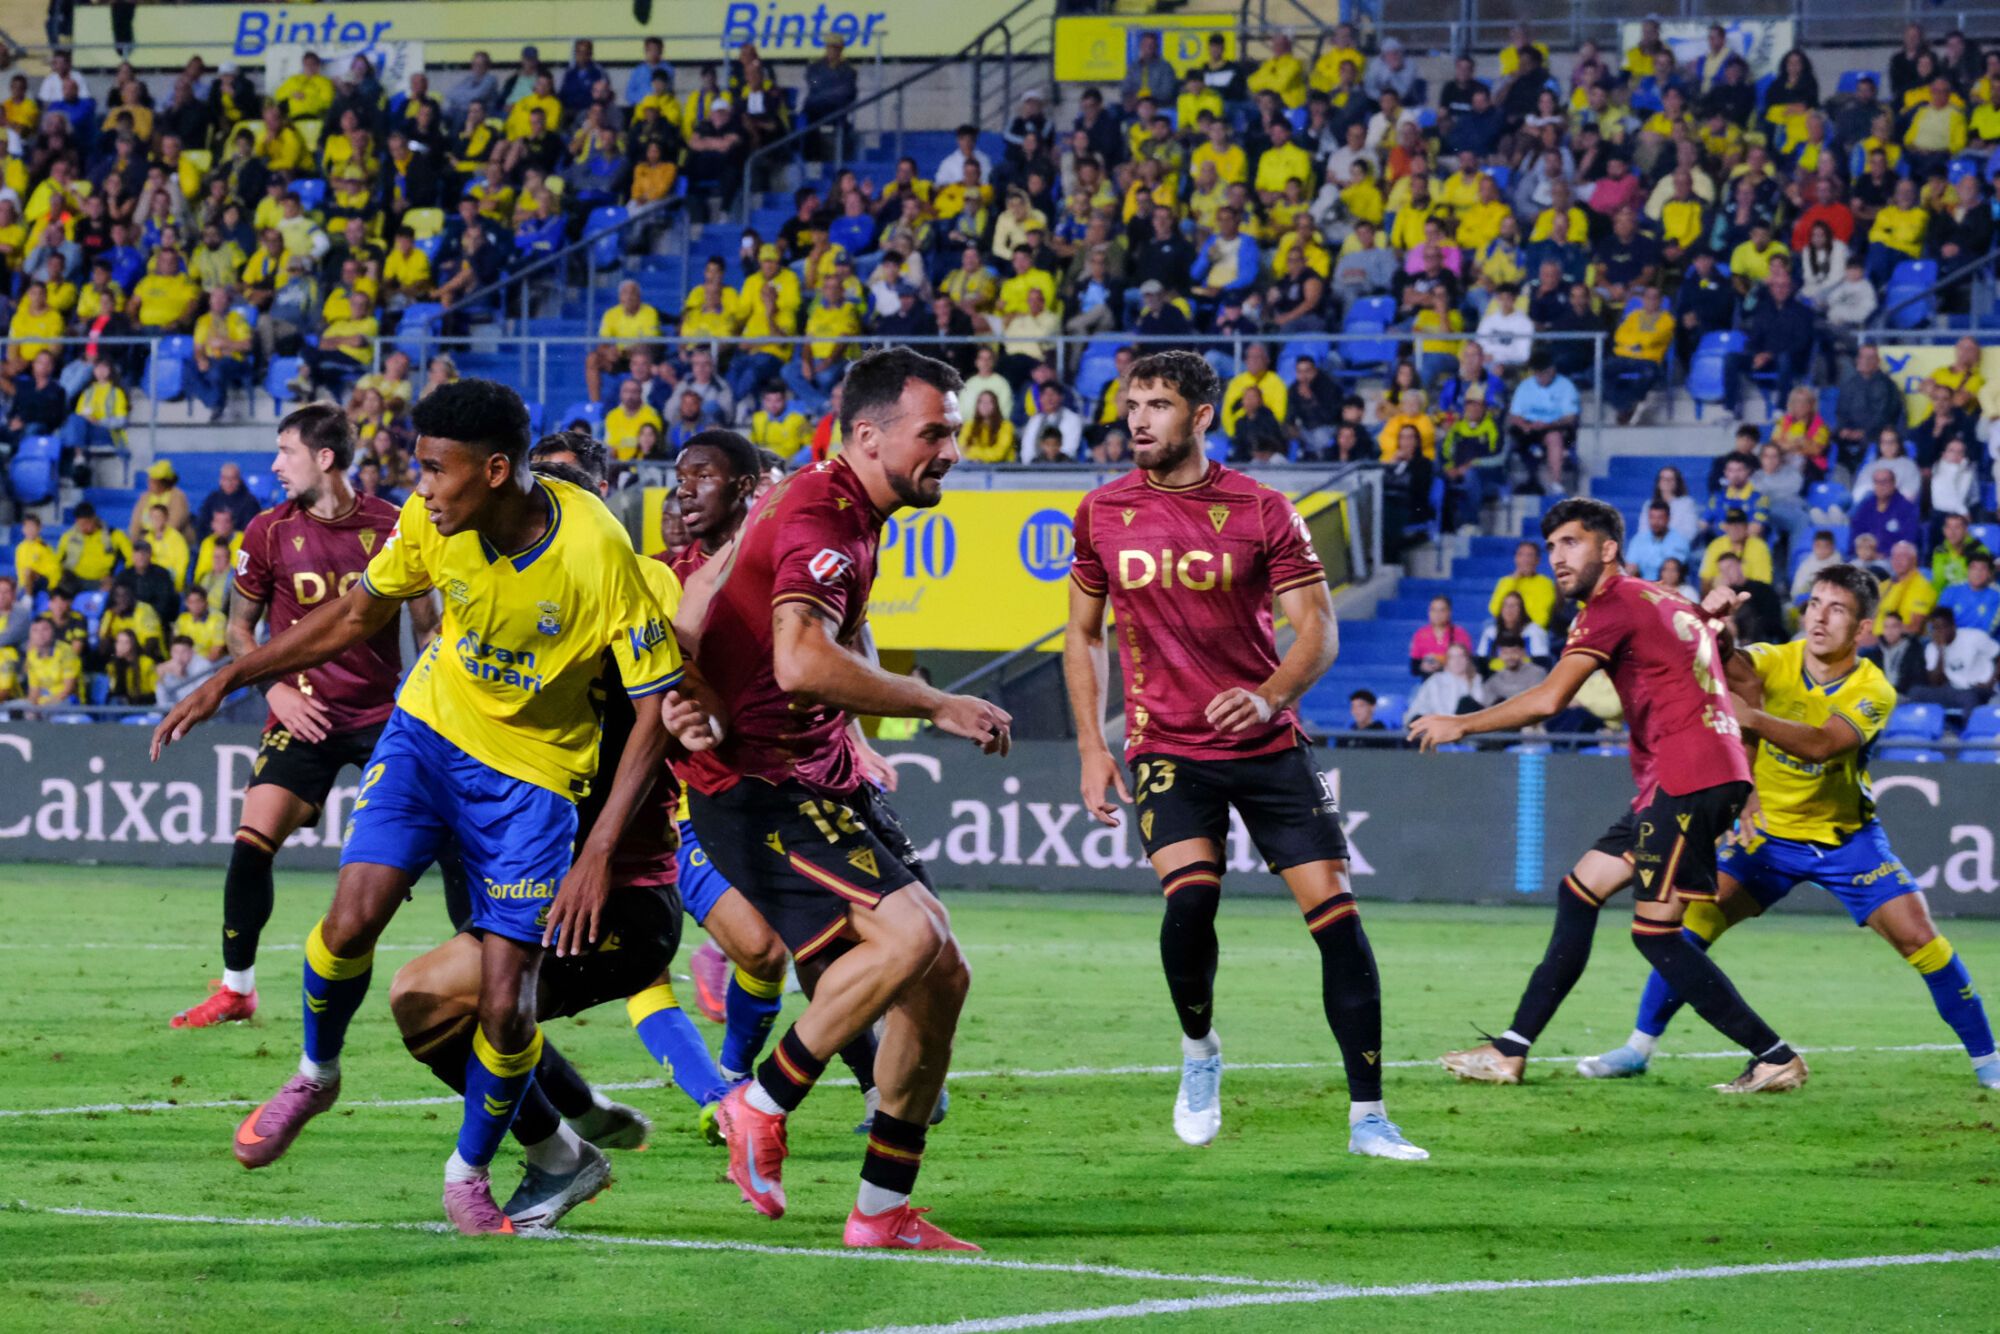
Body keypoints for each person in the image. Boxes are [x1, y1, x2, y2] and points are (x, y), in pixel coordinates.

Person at [152, 379, 687, 1236]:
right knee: (350, 917)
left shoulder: (597, 552)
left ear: (498, 471)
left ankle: (474, 1169)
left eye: (437, 470)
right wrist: (232, 675)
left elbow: (659, 703)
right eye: (418, 468)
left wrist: (598, 852)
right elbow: (359, 613)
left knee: (505, 1002)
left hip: (535, 781)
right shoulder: (428, 523)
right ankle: (315, 1074)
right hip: (428, 738)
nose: (423, 487)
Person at [675, 348, 1010, 1250]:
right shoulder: (825, 512)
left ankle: (880, 1211)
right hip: (761, 788)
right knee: (914, 936)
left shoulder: (832, 501)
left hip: (816, 776)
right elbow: (799, 660)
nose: (952, 448)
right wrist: (937, 701)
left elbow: (714, 596)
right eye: (934, 431)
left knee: (942, 980)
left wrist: (690, 671)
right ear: (869, 434)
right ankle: (760, 1102)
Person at [1063, 348, 1427, 1162]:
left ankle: (1368, 1116)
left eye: (1157, 405)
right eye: (1132, 404)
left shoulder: (1264, 510)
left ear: (1200, 416)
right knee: (1190, 901)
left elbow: (1319, 631)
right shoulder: (1101, 512)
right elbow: (1081, 637)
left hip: (1266, 744)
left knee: (1337, 921)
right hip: (1167, 745)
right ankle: (1200, 1053)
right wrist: (1093, 745)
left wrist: (1268, 696)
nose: (1138, 420)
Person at [383, 436, 716, 1232]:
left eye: (576, 489)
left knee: (430, 997)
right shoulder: (500, 587)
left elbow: (681, 695)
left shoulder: (635, 584)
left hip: (618, 894)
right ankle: (562, 1141)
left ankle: (557, 1146)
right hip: (522, 858)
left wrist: (699, 714)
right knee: (438, 1010)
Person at [1411, 498, 1807, 1094]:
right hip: (1684, 776)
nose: (1558, 559)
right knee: (1579, 892)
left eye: (1571, 543)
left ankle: (1774, 1056)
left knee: (1655, 934)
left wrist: (1461, 724)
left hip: (1687, 775)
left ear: (1608, 548)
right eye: (1550, 549)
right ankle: (1510, 1051)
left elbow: (1549, 700)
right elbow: (1716, 666)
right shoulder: (1665, 600)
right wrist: (1708, 615)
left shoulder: (1609, 606)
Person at [1582, 567, 1998, 1089]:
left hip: (1845, 841)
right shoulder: (1777, 658)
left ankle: (1989, 1063)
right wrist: (1718, 626)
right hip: (1767, 839)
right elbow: (1731, 663)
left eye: (1837, 609)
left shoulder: (1874, 689)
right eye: (1815, 602)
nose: (1820, 616)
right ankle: (1638, 1047)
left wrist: (1752, 720)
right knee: (1687, 929)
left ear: (1863, 629)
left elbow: (1824, 742)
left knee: (1923, 940)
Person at [165, 404, 433, 1032]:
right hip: (300, 709)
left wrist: (420, 709)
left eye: (285, 451)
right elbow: (238, 628)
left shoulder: (395, 525)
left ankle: (487, 969)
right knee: (250, 844)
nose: (274, 464)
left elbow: (428, 629)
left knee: (448, 839)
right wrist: (277, 688)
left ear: (325, 458)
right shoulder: (265, 531)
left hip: (383, 714)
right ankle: (237, 989)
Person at [1915, 607, 1999, 710]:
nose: (1938, 632)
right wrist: (1941, 651)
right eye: (1934, 628)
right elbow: (1936, 682)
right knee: (1916, 692)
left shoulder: (1974, 637)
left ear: (1953, 626)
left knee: (1968, 698)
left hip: (1980, 687)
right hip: (1954, 689)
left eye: (1941, 627)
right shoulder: (1932, 647)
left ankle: (1970, 726)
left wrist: (1991, 682)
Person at [1489, 540, 1559, 627]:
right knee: (1489, 626)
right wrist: (1513, 580)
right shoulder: (1506, 581)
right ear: (1515, 559)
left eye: (1530, 555)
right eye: (1521, 555)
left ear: (1537, 560)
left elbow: (1541, 618)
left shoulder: (1546, 583)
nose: (1525, 559)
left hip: (1532, 629)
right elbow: (1495, 610)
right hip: (1507, 628)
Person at [1626, 501, 1692, 581]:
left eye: (1660, 518)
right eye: (1652, 517)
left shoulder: (1680, 541)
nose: (1655, 522)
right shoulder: (1638, 540)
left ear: (1668, 519)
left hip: (1669, 587)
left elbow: (1675, 571)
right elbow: (1630, 566)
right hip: (1643, 585)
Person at [1409, 594, 1473, 676]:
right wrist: (1423, 667)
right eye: (1433, 610)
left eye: (1442, 610)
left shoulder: (1461, 634)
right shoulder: (1420, 634)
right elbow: (1414, 668)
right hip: (1429, 681)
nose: (1437, 614)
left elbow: (1469, 664)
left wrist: (1442, 664)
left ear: (1449, 612)